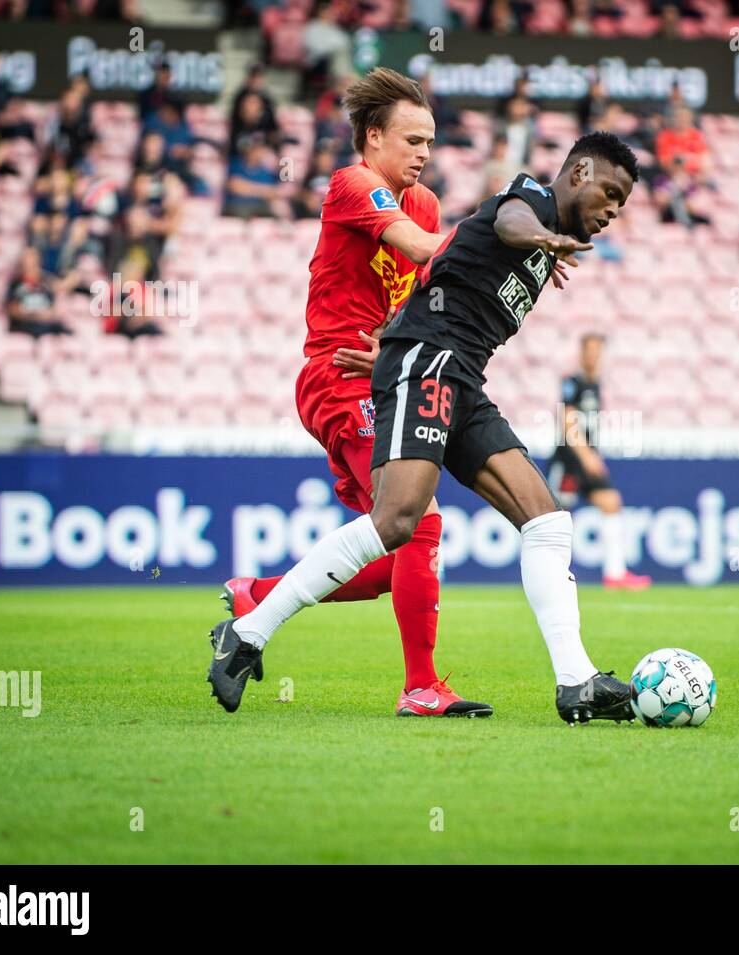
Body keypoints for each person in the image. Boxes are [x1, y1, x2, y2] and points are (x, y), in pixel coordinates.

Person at [207, 132, 640, 725]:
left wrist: (542, 251)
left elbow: (446, 270)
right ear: (580, 171)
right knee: (398, 522)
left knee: (546, 518)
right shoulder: (530, 201)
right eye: (610, 192)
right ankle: (251, 631)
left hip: (462, 379)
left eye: (623, 203)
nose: (613, 209)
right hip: (431, 362)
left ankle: (575, 680)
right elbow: (511, 219)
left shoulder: (544, 245)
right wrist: (541, 237)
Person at [211, 68, 492, 719]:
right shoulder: (351, 185)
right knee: (418, 520)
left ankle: (256, 596)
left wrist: (393, 343)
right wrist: (509, 228)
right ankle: (421, 686)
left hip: (380, 379)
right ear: (373, 137)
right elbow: (424, 249)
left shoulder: (424, 202)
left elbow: (426, 299)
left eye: (431, 140)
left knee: (390, 552)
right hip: (336, 381)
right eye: (412, 139)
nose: (425, 152)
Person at [547, 333, 652, 590]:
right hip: (570, 462)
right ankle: (551, 573)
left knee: (611, 503)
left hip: (588, 460)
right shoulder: (572, 383)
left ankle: (615, 573)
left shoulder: (596, 385)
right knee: (558, 516)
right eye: (589, 350)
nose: (593, 355)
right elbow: (567, 421)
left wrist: (594, 455)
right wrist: (586, 456)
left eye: (597, 350)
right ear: (581, 353)